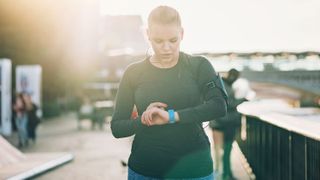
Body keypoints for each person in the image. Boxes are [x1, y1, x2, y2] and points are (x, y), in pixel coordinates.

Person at [111, 6, 227, 179]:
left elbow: (219, 106)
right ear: (147, 34)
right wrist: (146, 119)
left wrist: (171, 116)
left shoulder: (199, 66)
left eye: (173, 40)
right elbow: (117, 127)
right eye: (158, 41)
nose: (166, 48)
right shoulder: (133, 73)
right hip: (146, 169)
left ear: (182, 34)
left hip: (195, 170)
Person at [209, 69, 247, 180]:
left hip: (218, 122)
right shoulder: (225, 86)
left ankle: (221, 172)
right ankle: (225, 173)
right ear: (233, 76)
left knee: (218, 149)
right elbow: (227, 103)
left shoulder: (221, 84)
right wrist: (241, 100)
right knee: (227, 148)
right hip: (227, 123)